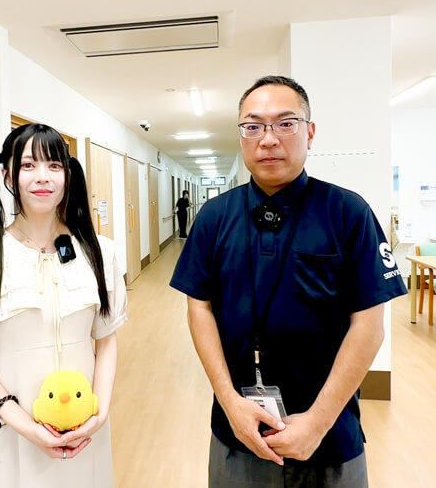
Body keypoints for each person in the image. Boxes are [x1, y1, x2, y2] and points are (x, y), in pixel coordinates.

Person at [170, 76, 407, 487]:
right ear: (241, 136)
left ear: (310, 132)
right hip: (238, 431)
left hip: (329, 437)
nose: (268, 139)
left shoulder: (348, 213)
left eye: (285, 123)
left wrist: (318, 421)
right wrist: (229, 402)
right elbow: (199, 308)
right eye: (253, 126)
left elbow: (369, 326)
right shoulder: (214, 217)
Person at [0, 123, 127, 487]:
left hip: (85, 427)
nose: (43, 176)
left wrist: (100, 413)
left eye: (54, 165)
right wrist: (25, 425)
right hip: (14, 429)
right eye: (28, 165)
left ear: (68, 176)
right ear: (8, 176)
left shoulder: (99, 252)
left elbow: (106, 340)